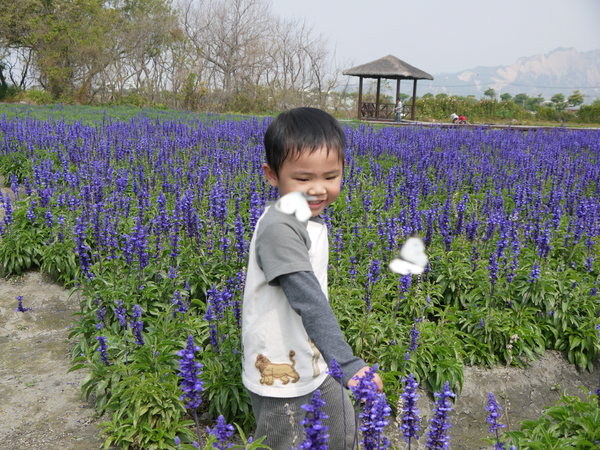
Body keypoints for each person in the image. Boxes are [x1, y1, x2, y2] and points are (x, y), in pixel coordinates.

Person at [242, 107, 383, 449]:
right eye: (303, 179)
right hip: (280, 372)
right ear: (272, 175)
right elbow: (308, 299)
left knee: (343, 431)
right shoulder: (279, 228)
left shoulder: (304, 217)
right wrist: (349, 364)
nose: (318, 190)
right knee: (285, 440)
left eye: (331, 176)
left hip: (316, 358)